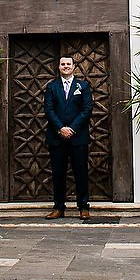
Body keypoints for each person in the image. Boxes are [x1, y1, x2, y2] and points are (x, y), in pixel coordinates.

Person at [44, 55, 93, 220]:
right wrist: (60, 128)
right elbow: (48, 110)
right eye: (62, 64)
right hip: (56, 137)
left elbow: (87, 110)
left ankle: (83, 207)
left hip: (78, 137)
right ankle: (58, 207)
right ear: (58, 67)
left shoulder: (83, 86)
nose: (65, 66)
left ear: (74, 67)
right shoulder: (52, 87)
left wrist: (72, 128)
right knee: (58, 173)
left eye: (68, 64)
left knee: (81, 172)